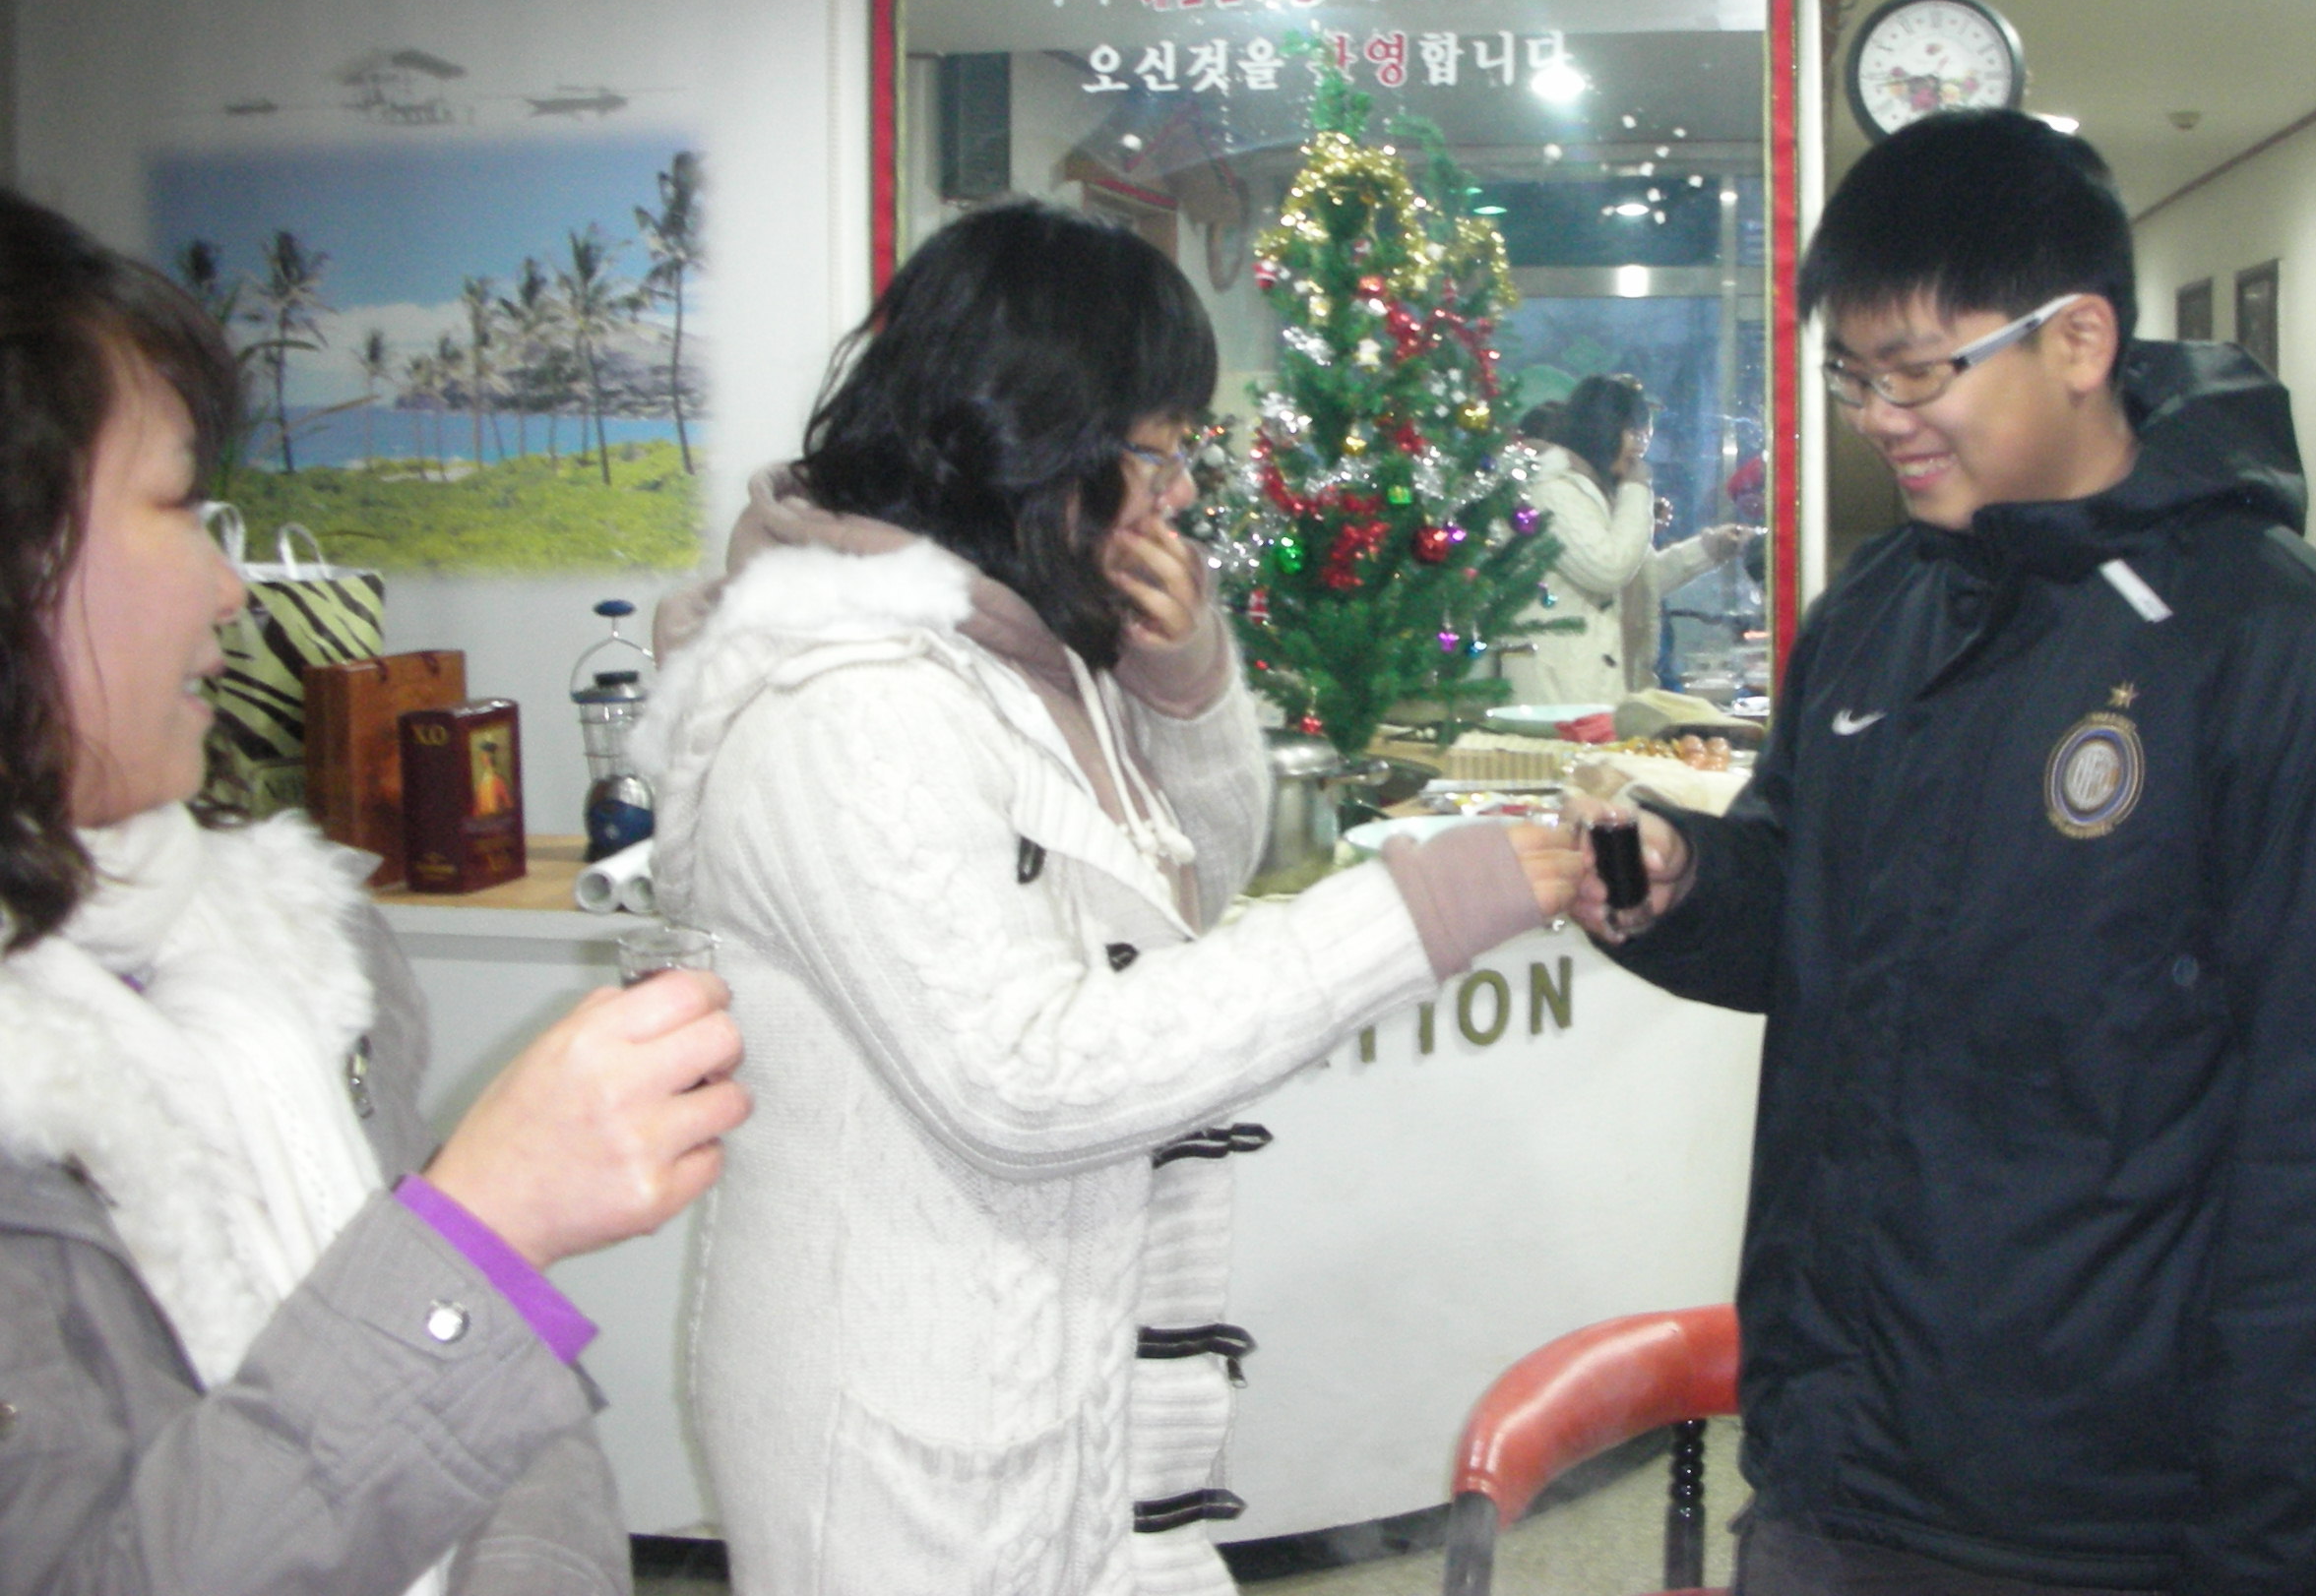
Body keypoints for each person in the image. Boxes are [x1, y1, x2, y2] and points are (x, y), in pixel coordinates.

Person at [640, 203, 1584, 1596]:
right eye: (1158, 451)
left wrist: (1181, 683)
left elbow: (1180, 888)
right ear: (1035, 436)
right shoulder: (846, 707)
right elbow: (1027, 1080)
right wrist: (1407, 914)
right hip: (904, 1424)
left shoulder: (1007, 643)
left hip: (1045, 1363)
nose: (1181, 493)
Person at [1568, 111, 2316, 1596]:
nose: (1879, 417)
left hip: (2096, 1512)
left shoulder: (2285, 661)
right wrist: (1686, 885)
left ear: (2080, 339)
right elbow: (1806, 910)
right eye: (1854, 376)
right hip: (1833, 1457)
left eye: (1918, 372)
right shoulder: (1877, 614)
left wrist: (2268, 1552)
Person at [0, 190, 751, 1596]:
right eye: (175, 505)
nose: (231, 588)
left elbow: (509, 1429)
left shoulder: (294, 942)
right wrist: (480, 1239)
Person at [1510, 374, 1751, 704]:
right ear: (1602, 429)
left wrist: (1707, 550)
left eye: (1645, 433)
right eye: (1633, 432)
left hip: (1597, 683)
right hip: (1562, 691)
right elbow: (1608, 570)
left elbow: (1637, 583)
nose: (1641, 446)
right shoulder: (1552, 488)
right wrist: (1636, 490)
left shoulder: (1594, 490)